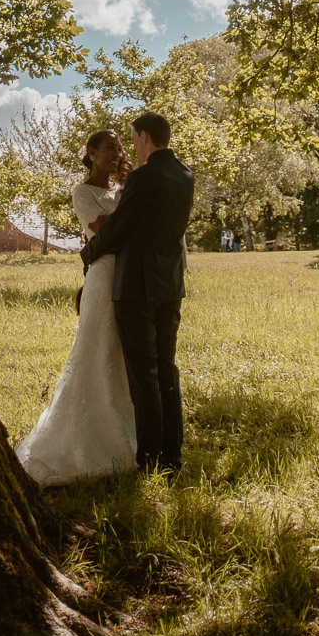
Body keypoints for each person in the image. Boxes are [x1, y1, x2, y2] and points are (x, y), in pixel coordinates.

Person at [15, 130, 137, 486]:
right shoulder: (83, 192)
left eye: (119, 149)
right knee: (96, 348)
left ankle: (127, 430)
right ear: (92, 153)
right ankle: (87, 437)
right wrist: (128, 205)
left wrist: (127, 192)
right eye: (109, 148)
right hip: (103, 275)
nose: (116, 154)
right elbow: (100, 229)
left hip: (129, 276)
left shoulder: (121, 191)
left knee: (123, 351)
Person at [81, 111, 194, 474]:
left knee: (143, 373)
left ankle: (149, 458)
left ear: (144, 136)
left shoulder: (144, 178)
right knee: (166, 369)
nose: (130, 146)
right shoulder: (185, 174)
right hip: (170, 285)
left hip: (136, 287)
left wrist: (88, 254)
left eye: (131, 137)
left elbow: (116, 231)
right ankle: (172, 456)